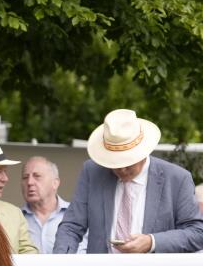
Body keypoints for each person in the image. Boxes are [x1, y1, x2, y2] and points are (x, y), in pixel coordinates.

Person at [55, 109, 203, 254]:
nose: (122, 169)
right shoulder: (92, 171)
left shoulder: (177, 179)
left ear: (144, 151)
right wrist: (60, 263)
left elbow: (197, 233)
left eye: (128, 161)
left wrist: (151, 242)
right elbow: (71, 226)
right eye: (114, 162)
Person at [20, 157, 85, 254]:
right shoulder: (16, 219)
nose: (29, 182)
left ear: (55, 183)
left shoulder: (78, 215)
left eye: (37, 176)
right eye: (25, 177)